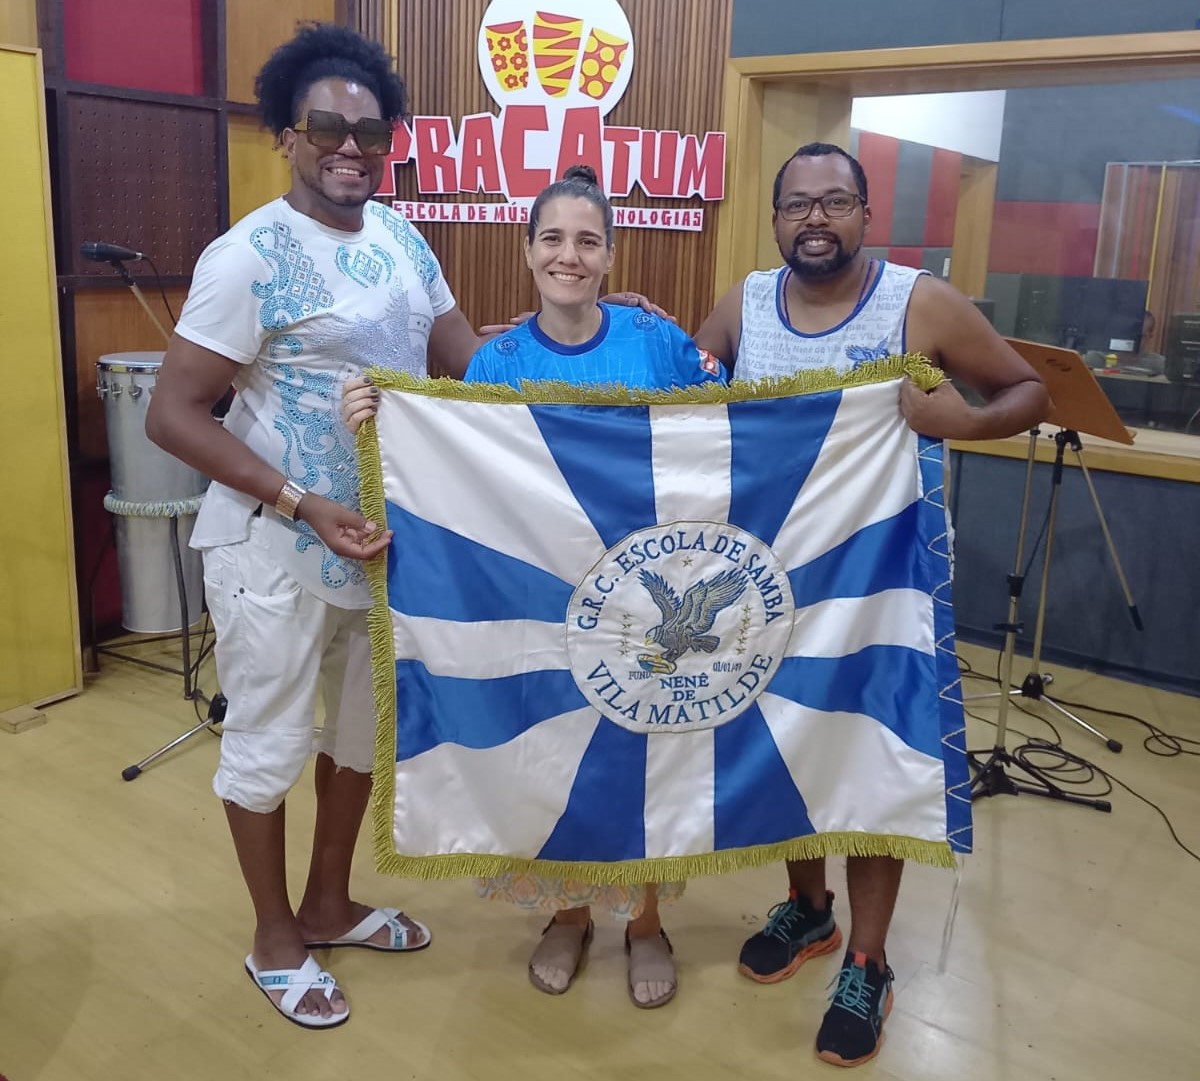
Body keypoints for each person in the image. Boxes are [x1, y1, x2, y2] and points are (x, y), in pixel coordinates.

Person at [142, 23, 503, 1029]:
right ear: (288, 137)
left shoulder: (402, 237)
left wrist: (586, 334)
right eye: (328, 128)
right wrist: (300, 501)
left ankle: (329, 901)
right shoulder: (246, 255)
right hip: (275, 550)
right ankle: (274, 935)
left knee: (354, 740)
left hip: (377, 547)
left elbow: (464, 357)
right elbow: (171, 414)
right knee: (266, 745)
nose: (353, 147)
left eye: (371, 131)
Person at [694, 142, 1050, 1067]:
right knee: (790, 749)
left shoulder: (916, 302)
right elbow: (690, 409)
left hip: (883, 584)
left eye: (836, 201)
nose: (816, 218)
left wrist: (960, 422)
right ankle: (809, 909)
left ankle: (868, 957)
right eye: (798, 204)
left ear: (864, 214)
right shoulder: (743, 302)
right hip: (767, 587)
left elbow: (1028, 389)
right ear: (775, 219)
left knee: (871, 763)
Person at [343, 164, 724, 1009]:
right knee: (552, 755)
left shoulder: (656, 343)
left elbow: (725, 443)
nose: (570, 255)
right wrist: (385, 423)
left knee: (648, 754)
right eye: (553, 237)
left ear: (611, 256)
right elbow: (459, 477)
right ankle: (569, 911)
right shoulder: (495, 360)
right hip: (540, 606)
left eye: (588, 240)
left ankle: (647, 919)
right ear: (526, 251)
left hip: (645, 598)